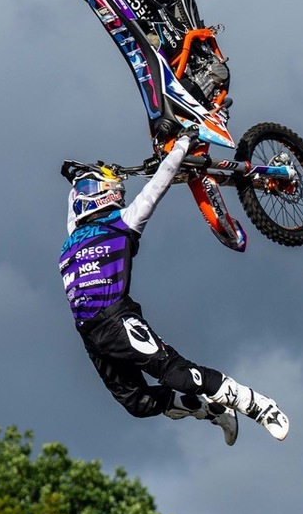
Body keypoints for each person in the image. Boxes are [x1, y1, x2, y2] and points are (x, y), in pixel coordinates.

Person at [59, 126, 289, 446]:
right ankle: (213, 411)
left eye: (86, 186)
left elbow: (158, 184)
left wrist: (181, 146)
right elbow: (75, 207)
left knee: (177, 374)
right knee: (137, 404)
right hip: (88, 331)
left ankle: (256, 403)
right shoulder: (73, 237)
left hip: (116, 319)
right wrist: (77, 178)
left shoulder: (123, 223)